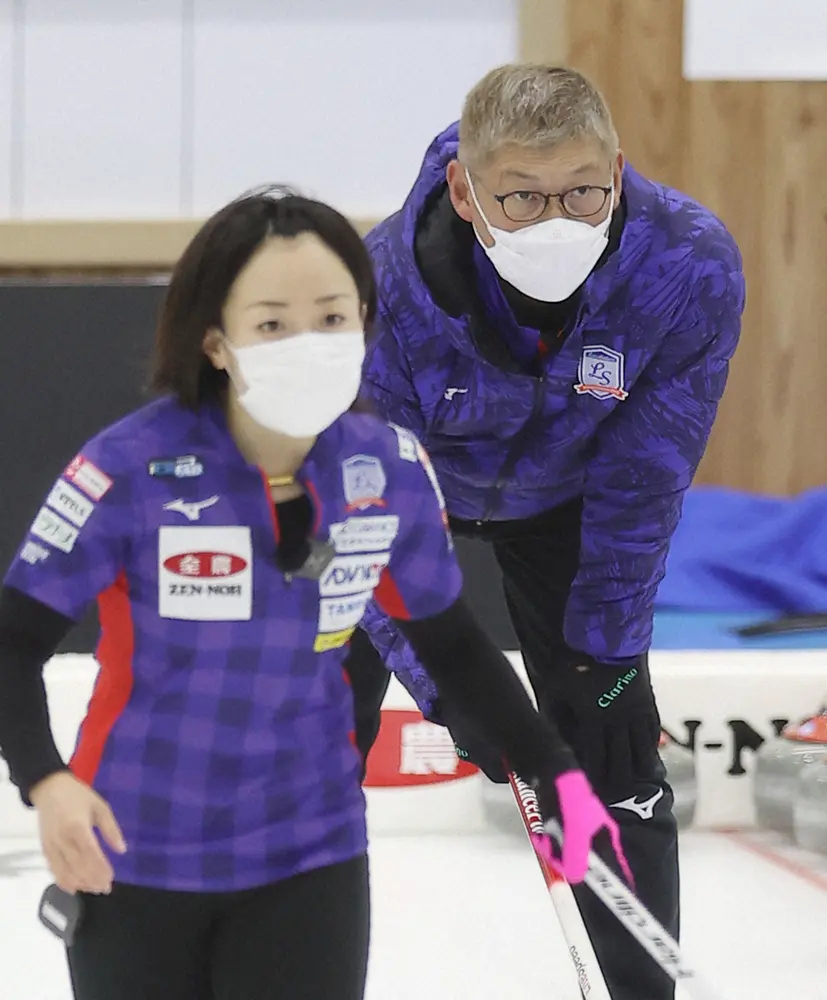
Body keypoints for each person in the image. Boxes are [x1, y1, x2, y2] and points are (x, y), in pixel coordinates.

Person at [0, 188, 626, 1000]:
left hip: (310, 855)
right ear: (216, 341)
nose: (309, 341)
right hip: (134, 849)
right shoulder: (129, 470)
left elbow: (452, 644)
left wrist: (555, 771)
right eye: (271, 323)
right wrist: (46, 782)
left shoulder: (389, 469)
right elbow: (12, 642)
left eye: (332, 317)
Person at [349, 64, 746, 1000]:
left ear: (616, 167)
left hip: (566, 498)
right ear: (464, 189)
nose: (557, 219)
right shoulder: (379, 287)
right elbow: (366, 515)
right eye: (521, 197)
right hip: (416, 496)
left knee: (609, 749)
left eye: (581, 191)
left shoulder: (685, 262)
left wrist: (603, 656)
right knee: (311, 729)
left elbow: (645, 474)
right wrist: (452, 693)